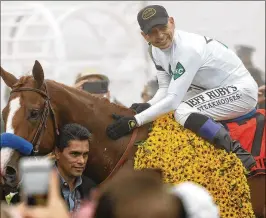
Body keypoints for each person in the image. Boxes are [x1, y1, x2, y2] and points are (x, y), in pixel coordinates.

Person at [106, 5, 258, 170]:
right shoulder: (155, 50)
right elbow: (165, 87)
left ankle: (237, 153)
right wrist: (149, 105)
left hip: (241, 91)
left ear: (172, 22)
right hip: (210, 89)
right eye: (152, 32)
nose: (160, 36)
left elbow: (172, 101)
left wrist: (136, 121)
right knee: (169, 110)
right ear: (144, 36)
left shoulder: (187, 49)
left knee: (182, 111)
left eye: (162, 27)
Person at [54, 123, 96, 213]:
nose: (81, 161)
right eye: (74, 154)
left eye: (85, 154)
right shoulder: (38, 186)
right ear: (57, 153)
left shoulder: (91, 188)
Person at [235, 45, 265, 109]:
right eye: (244, 54)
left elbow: (261, 85)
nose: (247, 57)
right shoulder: (235, 70)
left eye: (248, 55)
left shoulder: (255, 71)